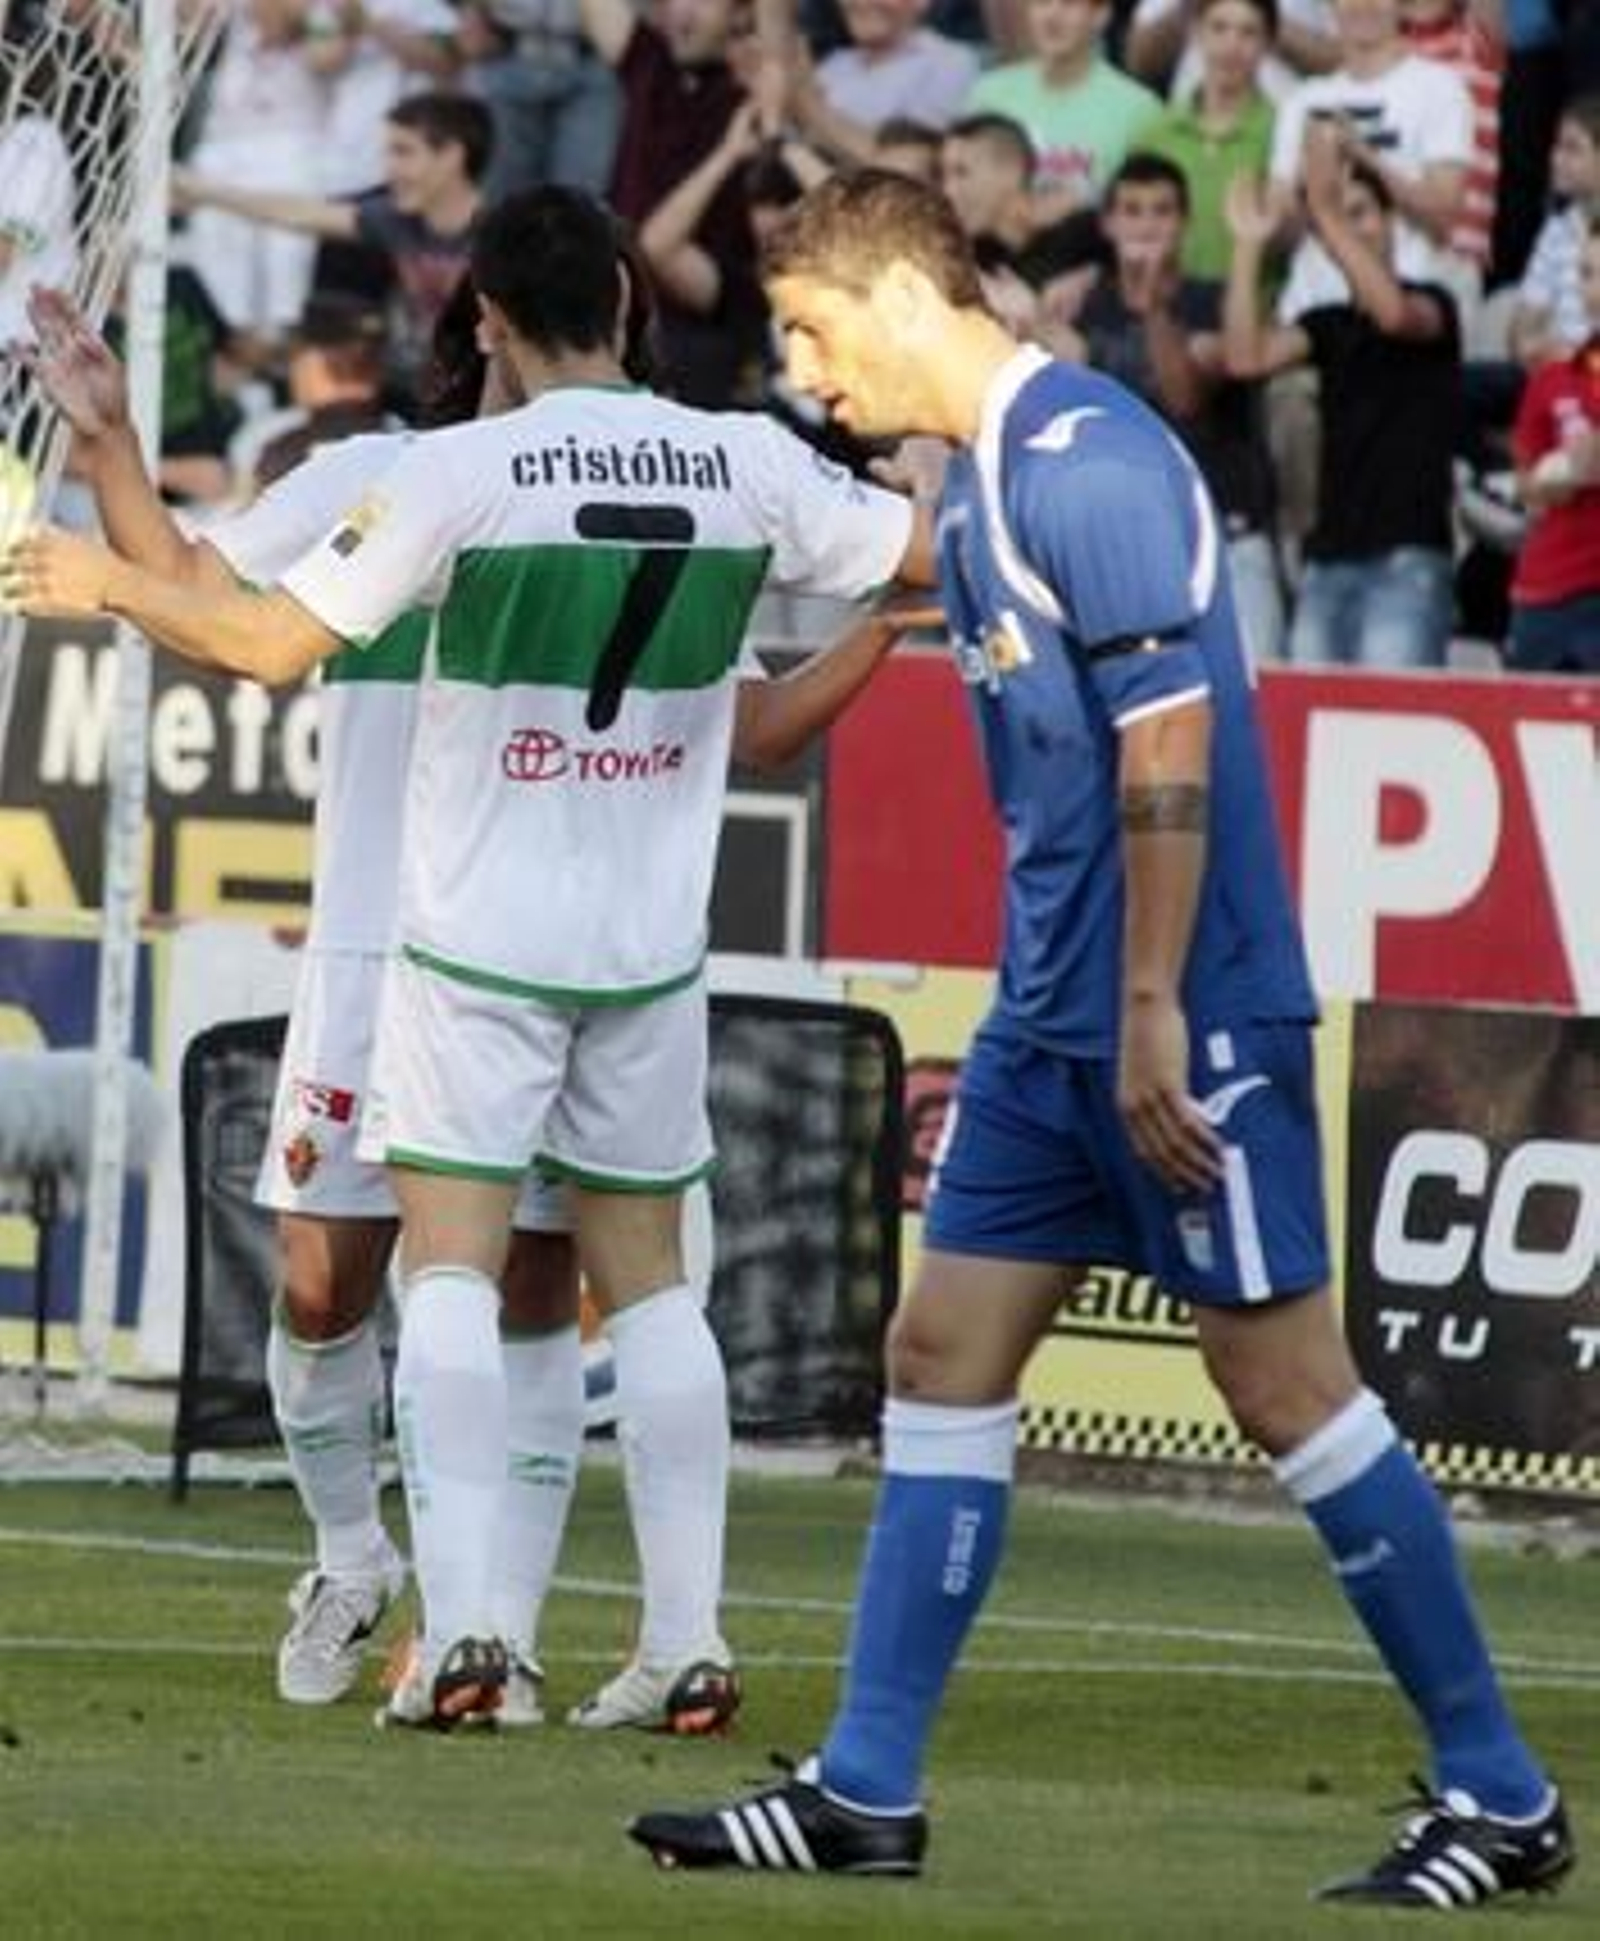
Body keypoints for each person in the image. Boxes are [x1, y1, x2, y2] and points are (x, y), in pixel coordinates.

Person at [622, 169, 1574, 1910]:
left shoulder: (1095, 464)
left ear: (901, 294)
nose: (809, 380)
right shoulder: (980, 488)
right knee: (939, 1356)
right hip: (1047, 1025)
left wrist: (1150, 1006)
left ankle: (1504, 1796)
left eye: (813, 335)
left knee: (1284, 1388)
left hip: (1179, 1019)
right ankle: (867, 1788)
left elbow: (1170, 751)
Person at [3, 186, 934, 1733]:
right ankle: (458, 1585)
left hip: (467, 938)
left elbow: (247, 635)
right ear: (627, 302)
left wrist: (99, 577)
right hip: (602, 949)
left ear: (490, 313)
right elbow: (214, 581)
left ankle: (479, 1635)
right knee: (386, 1285)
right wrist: (109, 454)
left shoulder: (457, 484)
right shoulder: (613, 465)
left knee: (489, 1279)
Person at [1224, 138, 1459, 667]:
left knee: (1398, 731)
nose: (1347, 228)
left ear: (1391, 221)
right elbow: (1245, 358)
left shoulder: (1434, 304)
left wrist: (1325, 212)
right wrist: (1248, 245)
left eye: (1361, 214)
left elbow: (1394, 314)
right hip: (1327, 564)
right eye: (1338, 217)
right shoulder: (1327, 322)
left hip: (1408, 559)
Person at [176, 91, 492, 410]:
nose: (389, 169)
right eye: (388, 153)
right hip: (409, 398)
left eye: (403, 152)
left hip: (478, 402)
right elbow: (299, 213)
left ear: (452, 155)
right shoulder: (398, 220)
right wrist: (201, 192)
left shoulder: (502, 232)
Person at [1504, 212, 1600, 673]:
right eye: (1585, 273)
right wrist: (1553, 476)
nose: (1589, 289)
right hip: (1548, 593)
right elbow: (1525, 482)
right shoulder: (1555, 377)